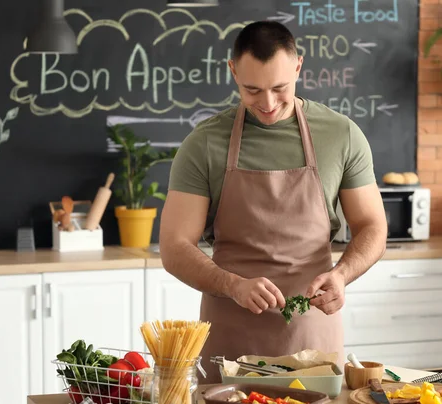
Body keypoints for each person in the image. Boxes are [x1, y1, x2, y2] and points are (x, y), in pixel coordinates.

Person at [159, 20, 387, 384]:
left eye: (280, 88)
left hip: (312, 339)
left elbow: (373, 226)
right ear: (232, 71)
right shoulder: (203, 144)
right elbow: (173, 247)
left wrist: (342, 275)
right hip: (229, 341)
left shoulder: (341, 135)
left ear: (298, 66)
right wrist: (233, 285)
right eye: (252, 90)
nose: (266, 103)